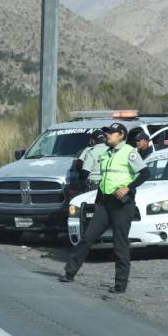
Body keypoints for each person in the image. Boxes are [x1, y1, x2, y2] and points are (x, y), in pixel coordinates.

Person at [59, 122, 150, 293]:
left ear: (121, 135)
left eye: (111, 133)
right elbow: (105, 178)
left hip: (122, 204)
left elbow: (145, 173)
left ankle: (120, 285)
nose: (108, 135)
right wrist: (98, 199)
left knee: (119, 244)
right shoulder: (106, 153)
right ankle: (69, 272)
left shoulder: (129, 152)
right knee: (87, 237)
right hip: (104, 202)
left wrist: (128, 187)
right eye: (107, 133)